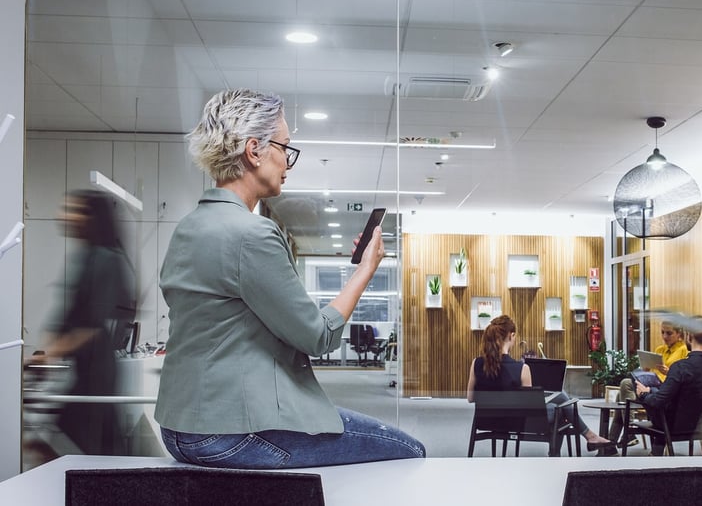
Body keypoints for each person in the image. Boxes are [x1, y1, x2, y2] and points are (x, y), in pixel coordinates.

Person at [155, 88, 425, 469]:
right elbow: (318, 336)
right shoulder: (254, 234)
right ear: (254, 150)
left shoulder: (188, 228)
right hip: (233, 433)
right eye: (285, 148)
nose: (288, 162)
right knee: (411, 451)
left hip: (178, 430)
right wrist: (365, 270)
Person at [30, 190, 135, 457]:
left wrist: (50, 354)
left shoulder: (106, 259)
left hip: (95, 374)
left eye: (73, 210)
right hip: (83, 371)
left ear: (91, 218)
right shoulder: (87, 257)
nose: (64, 216)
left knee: (80, 448)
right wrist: (47, 352)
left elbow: (92, 324)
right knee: (64, 445)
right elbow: (69, 316)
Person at [466, 315, 614, 453]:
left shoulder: (476, 363)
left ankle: (590, 437)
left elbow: (471, 398)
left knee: (561, 396)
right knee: (560, 409)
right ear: (511, 336)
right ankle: (572, 445)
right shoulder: (522, 368)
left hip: (487, 420)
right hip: (517, 422)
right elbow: (530, 408)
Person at [633, 322, 702, 455]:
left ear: (688, 336)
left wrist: (644, 394)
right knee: (657, 395)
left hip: (676, 426)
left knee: (653, 400)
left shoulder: (680, 367)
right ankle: (655, 453)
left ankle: (653, 454)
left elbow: (658, 401)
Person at [607, 321, 689, 447]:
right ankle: (615, 443)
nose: (665, 336)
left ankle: (623, 436)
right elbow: (653, 373)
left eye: (669, 333)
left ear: (679, 334)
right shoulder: (659, 349)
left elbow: (682, 378)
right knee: (622, 398)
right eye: (662, 332)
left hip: (663, 391)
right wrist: (645, 370)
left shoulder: (683, 351)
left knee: (625, 386)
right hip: (651, 385)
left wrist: (668, 372)